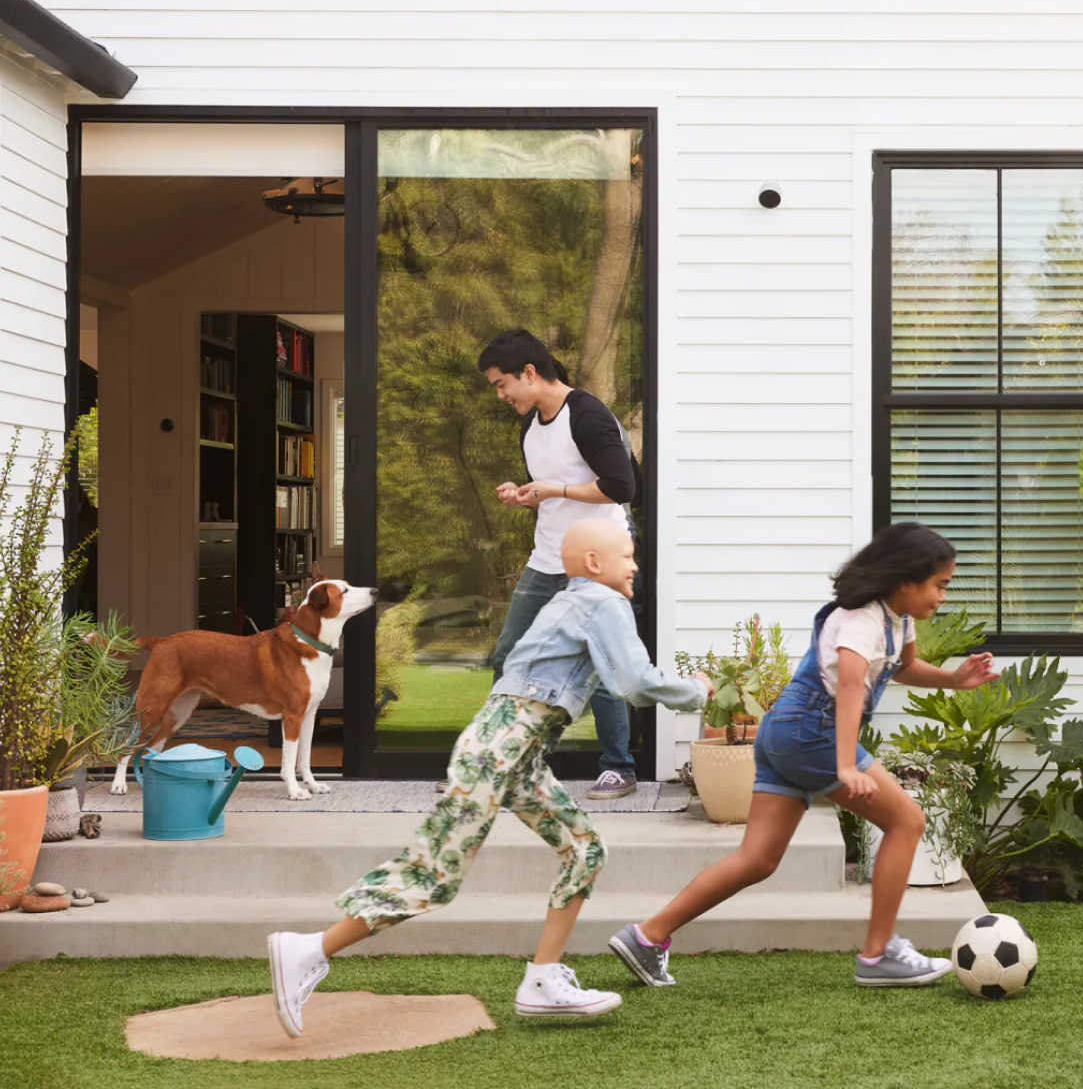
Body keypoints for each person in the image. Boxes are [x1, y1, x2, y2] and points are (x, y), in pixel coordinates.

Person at [267, 520, 712, 1034]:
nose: (635, 564)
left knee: (585, 848)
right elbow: (633, 682)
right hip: (499, 750)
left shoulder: (568, 603)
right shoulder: (602, 603)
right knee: (433, 877)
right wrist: (696, 690)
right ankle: (308, 950)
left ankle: (543, 979)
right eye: (629, 555)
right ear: (594, 562)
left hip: (511, 749)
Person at [607, 522, 999, 990]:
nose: (942, 596)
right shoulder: (861, 618)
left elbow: (906, 667)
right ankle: (877, 956)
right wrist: (846, 765)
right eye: (939, 585)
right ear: (906, 580)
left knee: (757, 859)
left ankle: (647, 936)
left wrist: (954, 679)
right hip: (813, 729)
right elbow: (852, 683)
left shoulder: (899, 620)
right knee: (907, 821)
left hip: (784, 730)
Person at [470, 327, 644, 800]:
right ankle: (501, 761)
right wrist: (528, 495)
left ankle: (618, 768)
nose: (501, 394)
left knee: (602, 662)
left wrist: (553, 490)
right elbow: (556, 487)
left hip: (596, 560)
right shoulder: (531, 423)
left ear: (529, 373)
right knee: (510, 655)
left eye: (502, 384)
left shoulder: (586, 415)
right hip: (546, 557)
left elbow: (621, 487)